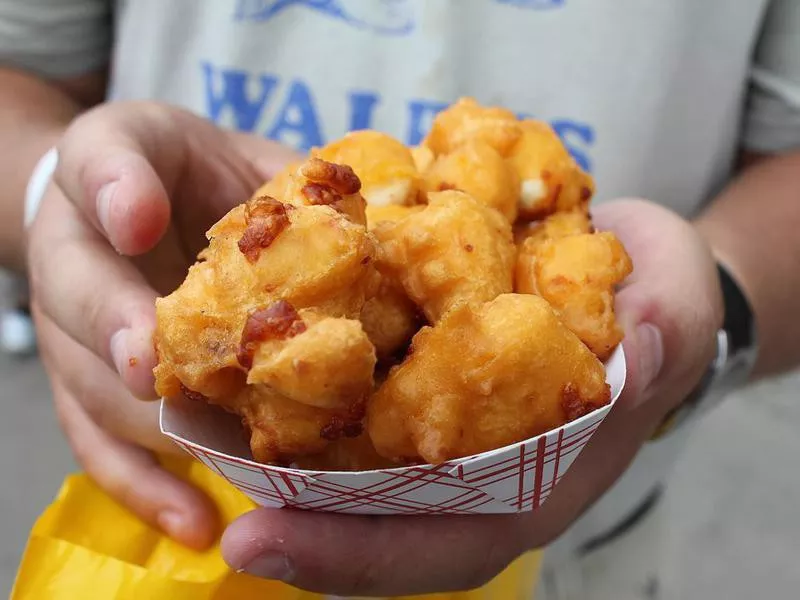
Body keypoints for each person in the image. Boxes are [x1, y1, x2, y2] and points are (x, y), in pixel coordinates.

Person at [1, 0, 799, 597]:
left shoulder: (475, 258)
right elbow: (22, 77)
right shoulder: (352, 270)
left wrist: (724, 295)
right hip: (182, 501)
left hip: (594, 550)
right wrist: (51, 197)